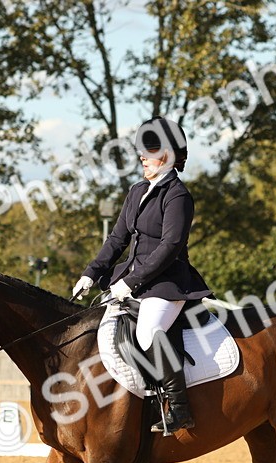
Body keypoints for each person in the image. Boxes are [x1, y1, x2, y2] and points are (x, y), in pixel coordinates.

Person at [71, 117, 212, 435]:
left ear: (167, 155)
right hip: (131, 279)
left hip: (167, 283)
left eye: (148, 152)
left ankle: (179, 408)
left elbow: (170, 246)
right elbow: (117, 239)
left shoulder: (177, 195)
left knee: (149, 332)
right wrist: (91, 274)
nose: (141, 158)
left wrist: (130, 283)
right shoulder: (137, 191)